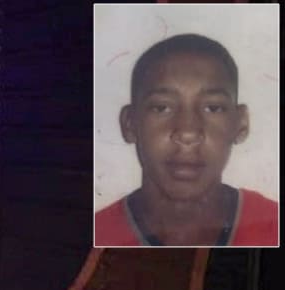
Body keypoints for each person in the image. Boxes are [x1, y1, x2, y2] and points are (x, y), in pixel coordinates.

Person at [95, 33, 278, 247]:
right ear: (129, 123)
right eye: (161, 107)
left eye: (213, 108)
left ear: (240, 124)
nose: (187, 133)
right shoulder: (97, 235)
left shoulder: (274, 225)